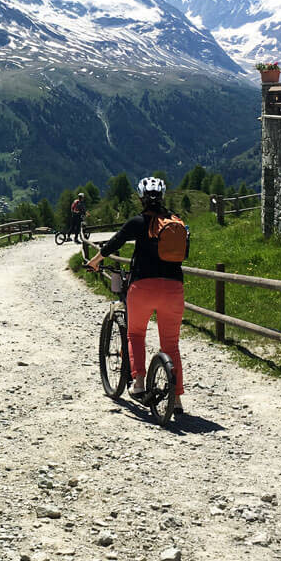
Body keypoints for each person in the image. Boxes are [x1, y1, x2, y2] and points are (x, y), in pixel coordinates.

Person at [84, 177, 186, 414]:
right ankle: (177, 399)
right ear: (162, 197)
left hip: (144, 288)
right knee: (171, 344)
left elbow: (113, 243)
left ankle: (139, 383)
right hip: (174, 289)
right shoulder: (176, 222)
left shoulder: (138, 222)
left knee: (136, 333)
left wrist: (95, 262)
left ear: (141, 198)